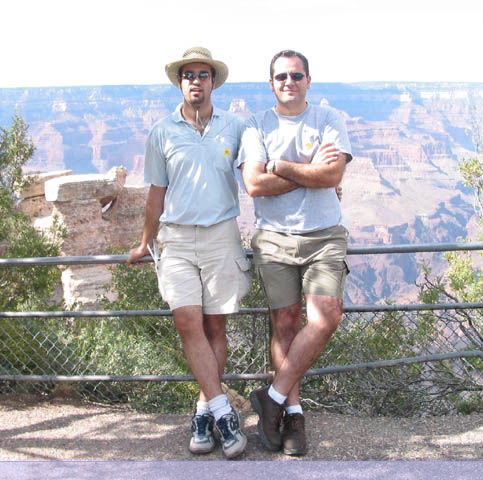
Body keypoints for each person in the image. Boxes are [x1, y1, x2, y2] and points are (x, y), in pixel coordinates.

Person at [127, 47, 251, 459]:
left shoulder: (235, 127)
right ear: (180, 83)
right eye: (188, 75)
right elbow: (155, 194)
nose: (196, 81)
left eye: (203, 74)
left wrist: (328, 184)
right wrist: (146, 241)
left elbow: (259, 173)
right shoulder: (161, 132)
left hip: (221, 235)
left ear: (213, 81)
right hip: (176, 239)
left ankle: (203, 412)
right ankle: (225, 414)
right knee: (187, 322)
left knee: (216, 329)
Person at [237, 49, 352, 456]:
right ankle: (293, 414)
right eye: (281, 76)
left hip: (324, 237)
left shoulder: (328, 119)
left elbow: (333, 174)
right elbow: (254, 184)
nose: (289, 81)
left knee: (325, 318)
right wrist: (308, 170)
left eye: (297, 75)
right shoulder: (256, 124)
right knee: (284, 323)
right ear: (271, 83)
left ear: (308, 80)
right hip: (274, 239)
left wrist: (281, 166)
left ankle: (271, 396)